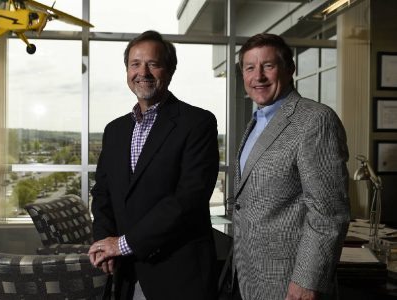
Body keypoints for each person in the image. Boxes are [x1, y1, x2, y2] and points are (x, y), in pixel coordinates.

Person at [88, 30, 220, 299]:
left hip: (178, 275)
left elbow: (189, 199)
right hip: (124, 274)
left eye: (153, 64)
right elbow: (103, 193)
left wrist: (123, 244)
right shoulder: (115, 130)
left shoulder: (197, 123)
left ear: (170, 70)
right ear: (127, 71)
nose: (143, 72)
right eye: (135, 64)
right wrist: (104, 243)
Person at [232, 33, 350, 300]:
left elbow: (328, 213)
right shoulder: (257, 122)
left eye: (268, 66)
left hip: (291, 281)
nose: (258, 76)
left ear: (290, 70)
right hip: (251, 273)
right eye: (250, 68)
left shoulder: (316, 120)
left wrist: (308, 281)